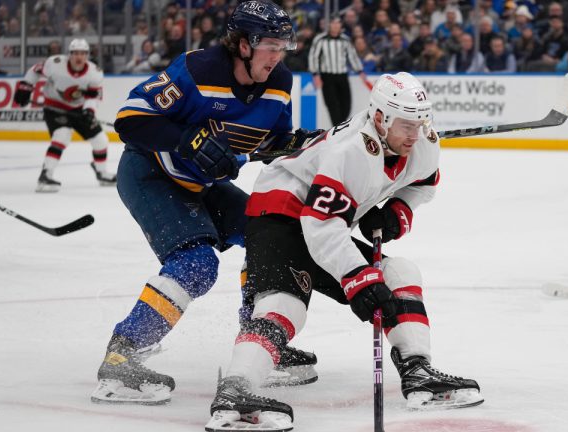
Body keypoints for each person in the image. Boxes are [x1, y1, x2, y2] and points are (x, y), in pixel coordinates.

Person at [205, 72, 483, 432]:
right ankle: (235, 390)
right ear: (380, 118)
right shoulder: (352, 151)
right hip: (278, 210)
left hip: (322, 219)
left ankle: (417, 370)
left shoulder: (423, 142)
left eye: (420, 122)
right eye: (406, 124)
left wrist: (398, 210)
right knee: (285, 304)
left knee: (400, 274)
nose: (415, 134)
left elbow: (423, 185)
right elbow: (320, 224)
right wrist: (358, 281)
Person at [90, 0, 321, 405]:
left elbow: (270, 142)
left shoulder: (280, 81)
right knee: (196, 264)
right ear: (243, 45)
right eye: (270, 44)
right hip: (151, 174)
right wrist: (185, 140)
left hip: (204, 183)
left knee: (269, 236)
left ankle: (259, 342)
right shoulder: (197, 70)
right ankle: (121, 356)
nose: (278, 54)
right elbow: (129, 119)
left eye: (283, 45)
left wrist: (300, 144)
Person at [13, 39, 116, 193]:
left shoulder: (95, 72)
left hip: (79, 109)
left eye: (82, 53)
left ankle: (102, 173)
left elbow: (93, 96)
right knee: (62, 135)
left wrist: (89, 111)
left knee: (101, 140)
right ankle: (45, 175)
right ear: (69, 54)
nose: (79, 57)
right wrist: (26, 86)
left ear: (87, 55)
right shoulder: (55, 64)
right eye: (75, 53)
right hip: (54, 107)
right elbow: (35, 70)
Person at [309, 16, 367, 126]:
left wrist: (360, 70)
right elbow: (313, 56)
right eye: (333, 23)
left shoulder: (345, 40)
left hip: (342, 76)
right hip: (327, 76)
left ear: (341, 25)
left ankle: (338, 127)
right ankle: (337, 129)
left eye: (338, 23)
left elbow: (352, 56)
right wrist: (315, 74)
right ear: (329, 25)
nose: (335, 26)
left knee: (346, 104)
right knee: (332, 105)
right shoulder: (320, 39)